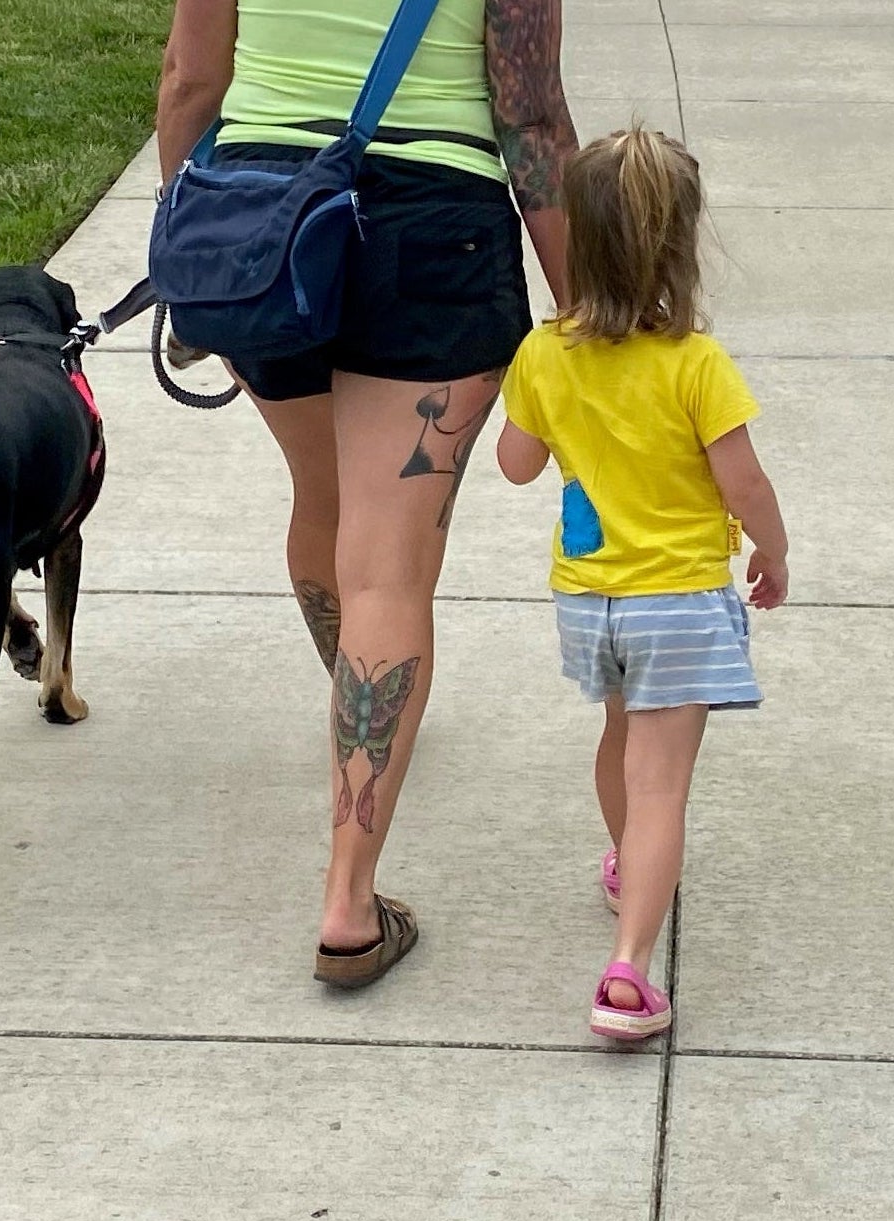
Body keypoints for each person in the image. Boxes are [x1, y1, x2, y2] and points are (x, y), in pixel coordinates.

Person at [157, 0, 577, 984]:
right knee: (388, 566)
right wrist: (590, 311)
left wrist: (187, 250)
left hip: (267, 221)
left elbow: (190, 77)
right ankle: (348, 901)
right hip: (434, 230)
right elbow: (532, 119)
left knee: (323, 500)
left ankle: (359, 710)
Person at [497, 126, 789, 1042]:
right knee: (662, 784)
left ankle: (628, 860)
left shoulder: (545, 355)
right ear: (679, 245)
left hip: (592, 601)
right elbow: (742, 481)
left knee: (620, 739)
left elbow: (514, 464)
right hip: (680, 601)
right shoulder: (696, 363)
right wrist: (771, 551)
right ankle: (629, 970)